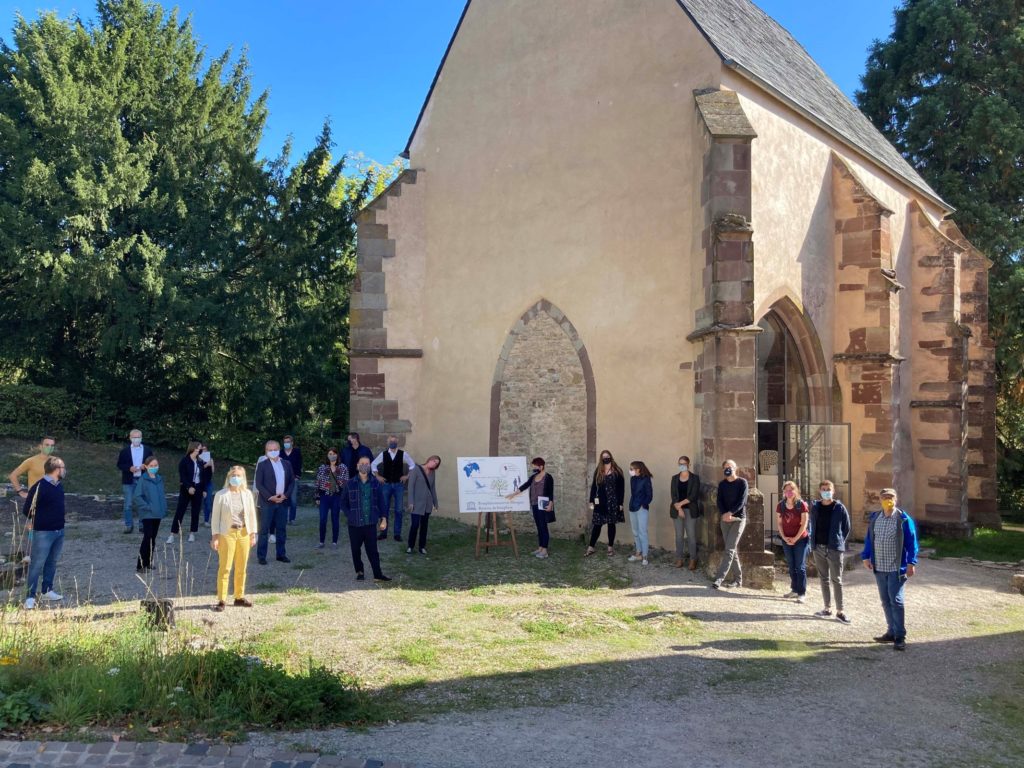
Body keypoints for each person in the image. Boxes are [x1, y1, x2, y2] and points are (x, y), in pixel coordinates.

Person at [862, 487, 919, 651]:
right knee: (886, 601)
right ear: (880, 500)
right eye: (884, 497)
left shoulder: (903, 519)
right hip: (879, 566)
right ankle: (891, 632)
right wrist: (866, 556)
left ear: (896, 500)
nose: (888, 500)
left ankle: (900, 636)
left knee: (896, 601)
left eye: (891, 497)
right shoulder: (875, 518)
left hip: (896, 568)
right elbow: (869, 539)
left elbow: (911, 542)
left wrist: (911, 563)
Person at [210, 466, 258, 611]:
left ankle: (239, 596)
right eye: (233, 475)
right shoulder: (221, 495)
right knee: (225, 567)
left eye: (238, 475)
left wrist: (253, 533)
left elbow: (251, 514)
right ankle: (222, 599)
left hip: (243, 532)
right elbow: (215, 518)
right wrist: (215, 537)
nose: (235, 478)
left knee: (241, 566)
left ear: (243, 478)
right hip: (227, 533)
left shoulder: (247, 494)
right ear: (228, 477)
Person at [22, 456, 66, 609]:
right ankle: (30, 597)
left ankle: (47, 590)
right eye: (63, 467)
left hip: (59, 531)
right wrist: (40, 521)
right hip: (43, 533)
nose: (64, 470)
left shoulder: (58, 485)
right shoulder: (39, 486)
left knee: (52, 562)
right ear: (56, 469)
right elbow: (27, 509)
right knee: (36, 564)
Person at [340, 457, 391, 582]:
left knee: (373, 550)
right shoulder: (349, 483)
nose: (364, 465)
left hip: (370, 523)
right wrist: (350, 515)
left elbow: (382, 502)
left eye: (367, 464)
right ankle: (360, 571)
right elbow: (343, 503)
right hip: (355, 524)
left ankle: (378, 575)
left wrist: (384, 518)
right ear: (357, 466)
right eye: (362, 463)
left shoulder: (375, 483)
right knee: (355, 550)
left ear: (370, 466)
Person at [810, 480, 852, 624]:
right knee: (823, 578)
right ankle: (827, 608)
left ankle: (840, 611)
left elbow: (846, 527)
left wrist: (838, 541)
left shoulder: (839, 508)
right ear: (820, 491)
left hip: (834, 549)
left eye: (828, 489)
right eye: (823, 489)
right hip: (818, 547)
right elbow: (812, 524)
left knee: (837, 580)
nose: (826, 491)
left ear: (833, 491)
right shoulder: (815, 507)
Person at [254, 440, 294, 564]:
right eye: (270, 450)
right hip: (268, 502)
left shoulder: (286, 463)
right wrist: (270, 497)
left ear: (279, 449)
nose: (273, 452)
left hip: (283, 501)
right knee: (264, 530)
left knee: (281, 529)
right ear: (266, 451)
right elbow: (259, 484)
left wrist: (285, 495)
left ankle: (281, 554)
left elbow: (292, 482)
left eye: (275, 449)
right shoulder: (262, 465)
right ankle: (261, 556)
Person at [507, 457, 555, 559]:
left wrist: (550, 504)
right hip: (534, 504)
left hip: (543, 505)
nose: (534, 468)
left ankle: (545, 550)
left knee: (543, 527)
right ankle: (540, 547)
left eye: (535, 467)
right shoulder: (533, 477)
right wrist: (513, 494)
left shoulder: (548, 477)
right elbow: (525, 485)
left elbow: (551, 492)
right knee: (539, 526)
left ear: (541, 466)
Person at [371, 435, 416, 542]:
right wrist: (377, 476)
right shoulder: (383, 454)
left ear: (397, 442)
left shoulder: (403, 454)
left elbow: (412, 465)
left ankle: (397, 534)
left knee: (398, 510)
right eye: (391, 441)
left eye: (394, 441)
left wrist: (407, 476)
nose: (392, 442)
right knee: (384, 510)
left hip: (398, 485)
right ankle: (383, 533)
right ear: (388, 442)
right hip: (386, 485)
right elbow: (373, 464)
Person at [712, 459, 748, 589]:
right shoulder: (722, 484)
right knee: (732, 550)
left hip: (737, 519)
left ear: (735, 468)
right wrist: (724, 514)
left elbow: (742, 501)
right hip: (725, 520)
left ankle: (719, 579)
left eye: (730, 466)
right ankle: (738, 580)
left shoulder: (742, 482)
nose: (728, 468)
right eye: (726, 467)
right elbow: (719, 501)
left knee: (729, 550)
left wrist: (730, 513)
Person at [586, 450, 625, 557]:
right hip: (600, 502)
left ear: (611, 457)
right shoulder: (599, 470)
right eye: (604, 457)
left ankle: (610, 547)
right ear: (601, 458)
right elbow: (594, 487)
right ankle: (591, 547)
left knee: (611, 525)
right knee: (597, 525)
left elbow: (621, 489)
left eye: (607, 456)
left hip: (613, 502)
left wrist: (620, 503)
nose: (606, 458)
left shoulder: (617, 471)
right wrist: (591, 501)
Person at [776, 480, 810, 603]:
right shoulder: (781, 506)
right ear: (783, 492)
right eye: (786, 490)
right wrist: (784, 537)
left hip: (800, 540)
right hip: (786, 539)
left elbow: (804, 524)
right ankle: (794, 589)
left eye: (791, 490)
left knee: (800, 566)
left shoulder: (802, 505)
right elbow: (779, 523)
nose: (789, 492)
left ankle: (801, 593)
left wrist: (795, 538)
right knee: (791, 566)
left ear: (796, 491)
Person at [133, 456, 168, 572]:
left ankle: (148, 563)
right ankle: (140, 565)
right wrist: (147, 507)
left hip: (157, 514)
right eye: (151, 466)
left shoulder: (159, 479)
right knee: (147, 538)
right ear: (146, 466)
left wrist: (163, 508)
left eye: (155, 465)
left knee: (153, 538)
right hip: (147, 514)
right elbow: (137, 496)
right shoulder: (143, 480)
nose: (154, 467)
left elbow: (161, 495)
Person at [115, 429, 152, 533]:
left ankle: (142, 525)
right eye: (134, 437)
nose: (137, 439)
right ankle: (129, 525)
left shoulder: (147, 450)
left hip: (143, 480)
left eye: (138, 437)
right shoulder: (125, 451)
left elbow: (152, 463)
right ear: (130, 438)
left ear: (141, 438)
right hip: (129, 480)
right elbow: (119, 465)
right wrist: (129, 468)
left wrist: (146, 466)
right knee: (128, 504)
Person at [670, 455, 702, 570]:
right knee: (679, 536)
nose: (682, 466)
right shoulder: (674, 478)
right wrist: (679, 508)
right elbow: (673, 495)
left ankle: (693, 559)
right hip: (677, 511)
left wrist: (680, 504)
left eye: (684, 464)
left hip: (690, 510)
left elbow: (693, 495)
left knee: (691, 536)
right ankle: (679, 558)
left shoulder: (695, 478)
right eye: (680, 464)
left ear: (688, 465)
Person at [168, 441, 204, 544]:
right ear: (193, 448)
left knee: (195, 511)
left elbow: (203, 476)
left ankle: (192, 533)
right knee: (180, 511)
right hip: (186, 489)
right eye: (198, 448)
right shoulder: (184, 461)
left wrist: (204, 489)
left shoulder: (200, 461)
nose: (200, 450)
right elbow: (183, 476)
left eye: (200, 448)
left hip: (198, 488)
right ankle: (172, 534)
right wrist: (189, 487)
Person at [314, 448, 349, 548]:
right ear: (327, 455)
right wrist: (317, 497)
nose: (332, 455)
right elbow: (318, 482)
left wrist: (335, 474)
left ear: (337, 455)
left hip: (336, 496)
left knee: (335, 518)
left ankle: (334, 542)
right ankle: (321, 542)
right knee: (322, 519)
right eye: (330, 454)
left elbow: (345, 483)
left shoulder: (343, 467)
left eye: (334, 453)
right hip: (324, 496)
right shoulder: (322, 467)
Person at [406, 455, 441, 555]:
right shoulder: (416, 469)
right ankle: (410, 546)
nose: (434, 464)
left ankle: (422, 546)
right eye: (434, 461)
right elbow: (411, 487)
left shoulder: (432, 473)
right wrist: (411, 502)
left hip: (427, 503)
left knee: (424, 526)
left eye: (436, 464)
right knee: (415, 525)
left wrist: (435, 502)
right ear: (429, 459)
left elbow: (432, 488)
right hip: (416, 503)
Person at [9, 436, 56, 505]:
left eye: (52, 445)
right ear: (40, 447)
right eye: (47, 445)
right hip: (35, 499)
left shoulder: (56, 461)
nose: (50, 447)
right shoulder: (31, 461)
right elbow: (13, 476)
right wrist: (20, 492)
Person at [627, 461, 654, 566]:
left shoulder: (646, 479)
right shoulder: (633, 479)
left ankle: (645, 556)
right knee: (635, 531)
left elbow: (649, 495)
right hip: (632, 507)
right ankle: (638, 553)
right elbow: (633, 493)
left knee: (643, 532)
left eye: (632, 469)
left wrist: (643, 504)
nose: (630, 471)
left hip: (641, 508)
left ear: (638, 469)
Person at [282, 435, 303, 525]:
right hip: (282, 480)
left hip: (294, 479)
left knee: (293, 500)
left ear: (292, 443)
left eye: (288, 442)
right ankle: (283, 518)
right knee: (283, 499)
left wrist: (297, 476)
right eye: (285, 442)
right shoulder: (280, 453)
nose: (286, 443)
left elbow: (299, 464)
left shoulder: (297, 452)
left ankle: (292, 519)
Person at [199, 444, 215, 527]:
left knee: (208, 502)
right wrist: (205, 465)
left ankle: (206, 520)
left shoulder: (210, 459)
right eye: (202, 449)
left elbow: (212, 471)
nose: (204, 451)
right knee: (198, 502)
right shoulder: (198, 459)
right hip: (199, 482)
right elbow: (198, 471)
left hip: (208, 482)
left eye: (205, 449)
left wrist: (211, 464)